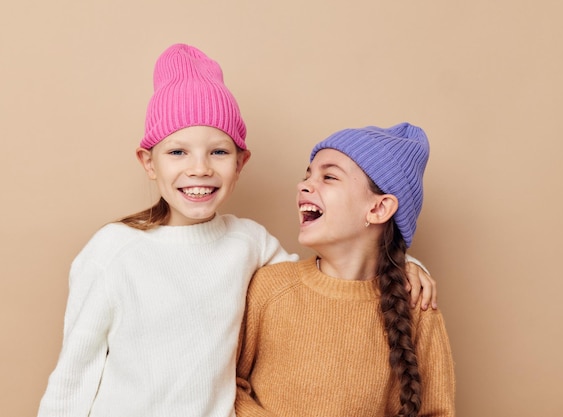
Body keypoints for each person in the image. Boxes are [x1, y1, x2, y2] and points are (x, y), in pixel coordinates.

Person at [37, 45, 436, 417]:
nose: (200, 168)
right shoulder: (114, 250)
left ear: (241, 162)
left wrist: (402, 263)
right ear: (149, 162)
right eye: (178, 151)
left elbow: (327, 276)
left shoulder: (249, 243)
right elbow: (74, 375)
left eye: (219, 151)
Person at [236, 123, 455, 416]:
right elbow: (228, 387)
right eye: (307, 175)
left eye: (329, 176)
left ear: (378, 209)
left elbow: (435, 411)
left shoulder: (417, 307)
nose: (304, 185)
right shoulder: (270, 287)